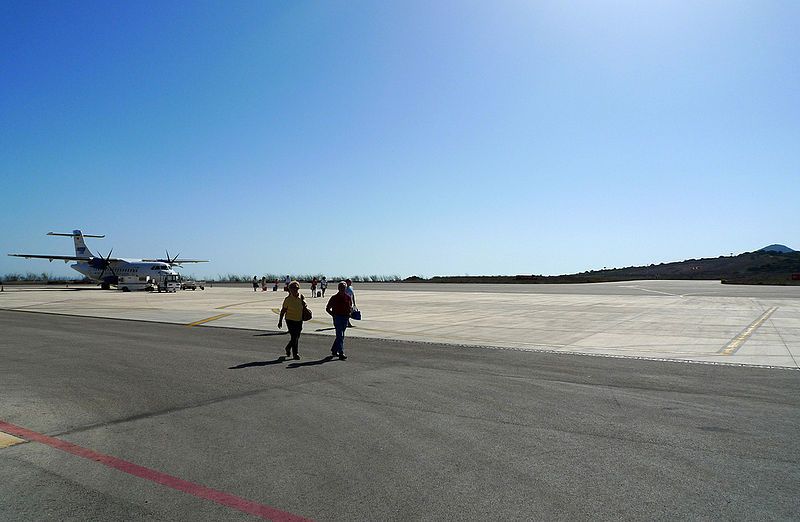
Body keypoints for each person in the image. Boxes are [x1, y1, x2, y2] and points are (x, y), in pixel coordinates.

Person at [278, 281, 305, 360]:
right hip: (290, 320)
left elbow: (305, 306)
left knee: (297, 337)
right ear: (290, 290)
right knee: (294, 337)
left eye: (296, 288)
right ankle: (295, 353)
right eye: (293, 288)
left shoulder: (301, 297)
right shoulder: (287, 299)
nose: (295, 290)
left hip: (299, 319)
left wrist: (304, 304)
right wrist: (280, 321)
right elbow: (283, 311)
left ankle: (288, 347)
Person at [326, 281, 352, 360]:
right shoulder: (334, 298)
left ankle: (334, 350)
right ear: (338, 288)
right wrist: (333, 315)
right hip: (337, 318)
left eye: (344, 288)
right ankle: (341, 352)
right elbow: (327, 308)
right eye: (341, 288)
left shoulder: (348, 297)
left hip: (345, 318)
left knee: (340, 335)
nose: (342, 289)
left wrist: (349, 314)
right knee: (340, 335)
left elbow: (349, 307)